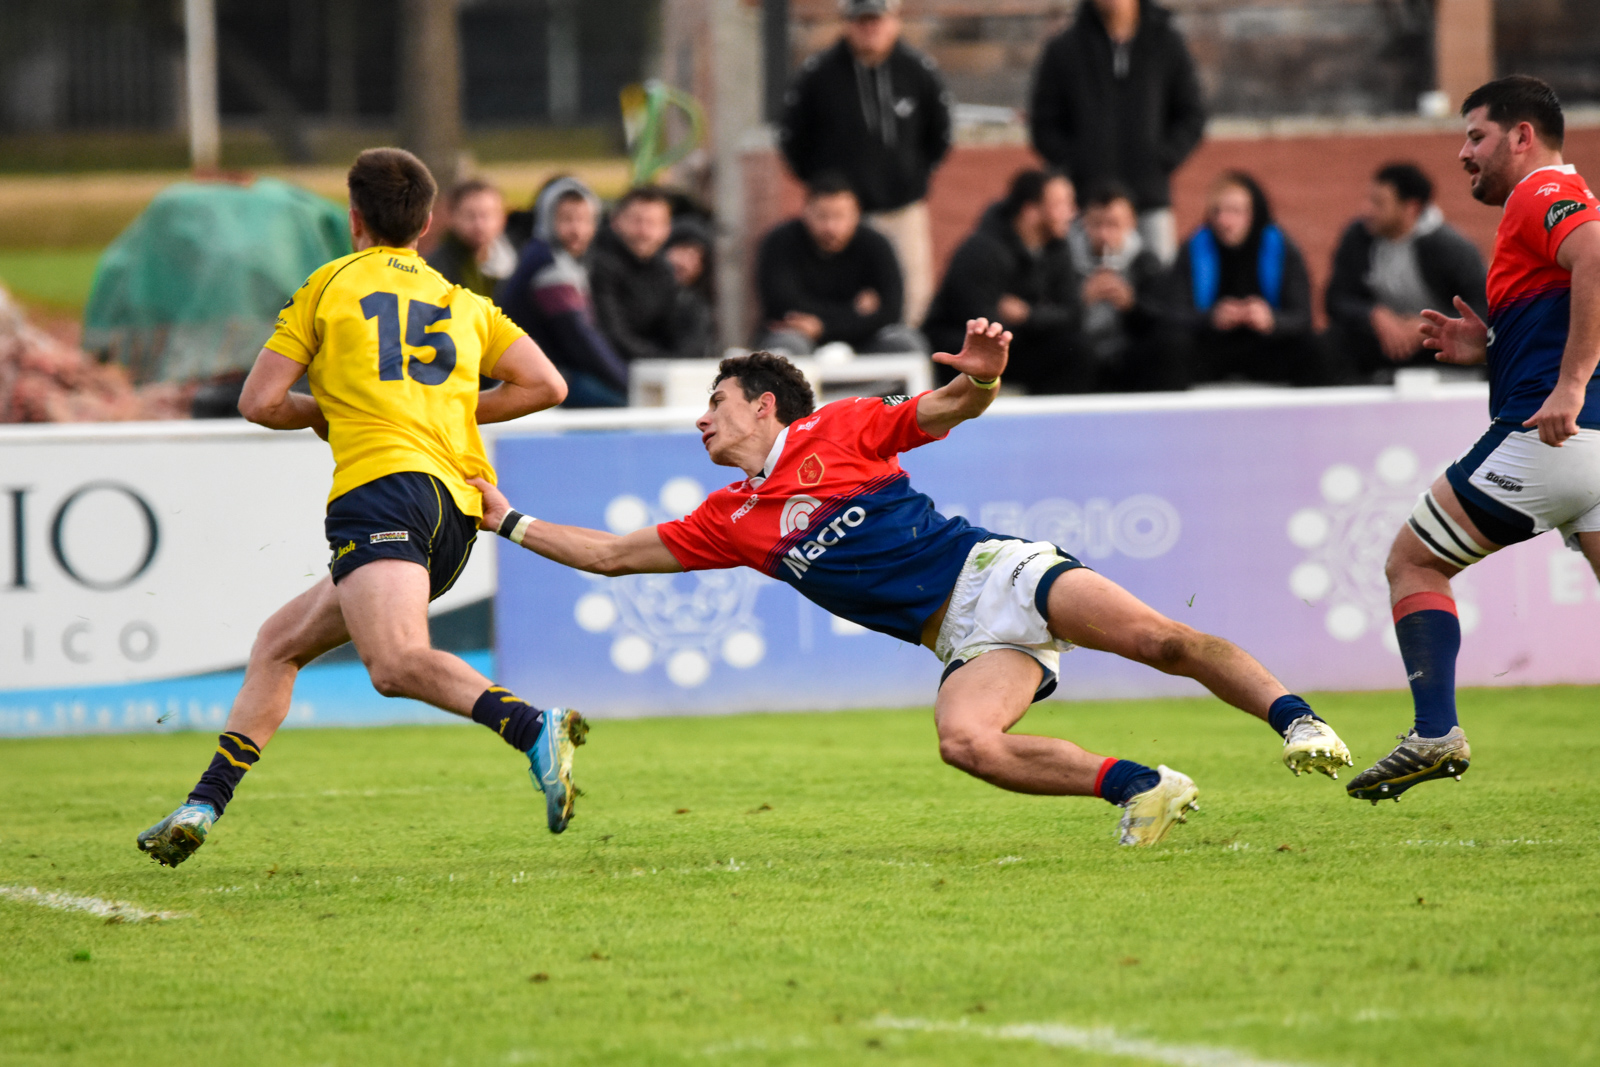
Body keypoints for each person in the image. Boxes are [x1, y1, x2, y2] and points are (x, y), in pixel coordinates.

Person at [470, 334, 1353, 847]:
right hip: (961, 639)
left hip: (999, 572)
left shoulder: (842, 427)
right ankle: (1145, 786)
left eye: (717, 400)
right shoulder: (731, 517)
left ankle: (1298, 720)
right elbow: (613, 555)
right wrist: (507, 520)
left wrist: (984, 376)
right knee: (964, 741)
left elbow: (950, 407)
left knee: (1161, 641)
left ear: (765, 406)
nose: (702, 417)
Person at [135, 149, 586, 868]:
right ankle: (203, 803)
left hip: (381, 490)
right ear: (429, 222)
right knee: (278, 644)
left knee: (393, 664)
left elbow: (259, 401)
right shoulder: (460, 299)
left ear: (354, 219)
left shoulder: (329, 284)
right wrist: (441, 406)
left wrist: (329, 412)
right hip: (454, 508)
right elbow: (547, 385)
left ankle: (532, 724)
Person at [1352, 76, 1600, 803]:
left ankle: (1434, 730)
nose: (1464, 154)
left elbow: (1596, 257)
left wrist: (1570, 382)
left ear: (1522, 136)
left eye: (1476, 136)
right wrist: (1489, 342)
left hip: (1547, 438)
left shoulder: (1540, 191)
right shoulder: (1545, 202)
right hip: (1591, 444)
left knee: (1413, 561)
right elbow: (1566, 299)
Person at [778, 0, 952, 326]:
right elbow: (793, 140)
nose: (870, 29)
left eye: (877, 20)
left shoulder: (918, 71)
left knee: (911, 300)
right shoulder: (818, 76)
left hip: (901, 208)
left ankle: (906, 358)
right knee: (847, 299)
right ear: (846, 24)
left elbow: (939, 134)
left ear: (895, 21)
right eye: (861, 21)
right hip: (841, 217)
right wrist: (825, 191)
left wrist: (912, 177)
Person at [1028, 0, 1206, 265]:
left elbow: (1192, 113)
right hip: (1085, 206)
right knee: (1080, 292)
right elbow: (1043, 123)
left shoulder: (1166, 43)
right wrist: (1075, 165)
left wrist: (1161, 159)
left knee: (1158, 292)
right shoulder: (1064, 49)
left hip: (1149, 200)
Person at [923, 169, 1088, 394]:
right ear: (1030, 211)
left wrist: (1028, 315)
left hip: (1019, 343)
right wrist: (1041, 317)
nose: (1072, 213)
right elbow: (982, 325)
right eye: (1061, 204)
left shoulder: (1058, 249)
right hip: (962, 351)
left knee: (1076, 349)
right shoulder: (982, 251)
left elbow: (1074, 313)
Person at [1325, 163, 1489, 383]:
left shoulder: (1452, 249)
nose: (1367, 210)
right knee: (1327, 345)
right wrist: (1374, 315)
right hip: (1382, 345)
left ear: (1411, 207)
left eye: (1378, 203)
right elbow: (1336, 298)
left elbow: (1485, 309)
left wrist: (1432, 327)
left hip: (1440, 349)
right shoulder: (1358, 237)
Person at [1165, 171, 1326, 387]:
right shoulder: (1194, 248)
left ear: (1254, 214)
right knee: (1170, 348)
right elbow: (1173, 314)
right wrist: (1212, 318)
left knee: (1316, 347)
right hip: (1211, 348)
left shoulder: (1281, 248)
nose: (1224, 221)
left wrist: (1271, 320)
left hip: (1268, 349)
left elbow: (1302, 316)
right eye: (1217, 211)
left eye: (1235, 212)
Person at [754, 173, 926, 357]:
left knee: (907, 344)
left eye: (839, 217)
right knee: (786, 347)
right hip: (802, 339)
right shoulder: (780, 242)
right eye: (822, 217)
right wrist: (854, 311)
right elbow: (783, 305)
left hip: (864, 341)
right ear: (806, 212)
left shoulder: (876, 245)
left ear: (856, 214)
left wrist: (823, 326)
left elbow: (891, 310)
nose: (831, 227)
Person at [498, 176, 630, 408]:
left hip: (540, 372)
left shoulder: (554, 257)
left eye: (584, 220)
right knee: (621, 403)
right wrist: (627, 383)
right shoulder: (549, 268)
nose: (576, 230)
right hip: (535, 379)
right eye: (566, 220)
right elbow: (580, 338)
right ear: (547, 220)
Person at [1067, 181, 1182, 391]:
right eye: (1096, 224)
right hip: (1080, 358)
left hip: (1129, 357)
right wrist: (1079, 302)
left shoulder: (1146, 263)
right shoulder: (1064, 261)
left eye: (1113, 225)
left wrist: (1132, 305)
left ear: (1131, 223)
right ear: (1083, 223)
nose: (1104, 235)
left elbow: (1165, 318)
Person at [590, 185, 712, 365]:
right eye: (636, 221)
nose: (644, 232)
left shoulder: (662, 270)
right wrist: (662, 362)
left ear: (667, 229)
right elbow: (612, 335)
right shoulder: (597, 265)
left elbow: (673, 327)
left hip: (650, 366)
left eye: (653, 223)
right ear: (616, 221)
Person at [425, 179, 517, 299]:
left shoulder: (519, 258)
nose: (479, 224)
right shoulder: (436, 270)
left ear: (503, 217)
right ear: (452, 217)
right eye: (470, 216)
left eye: (486, 215)